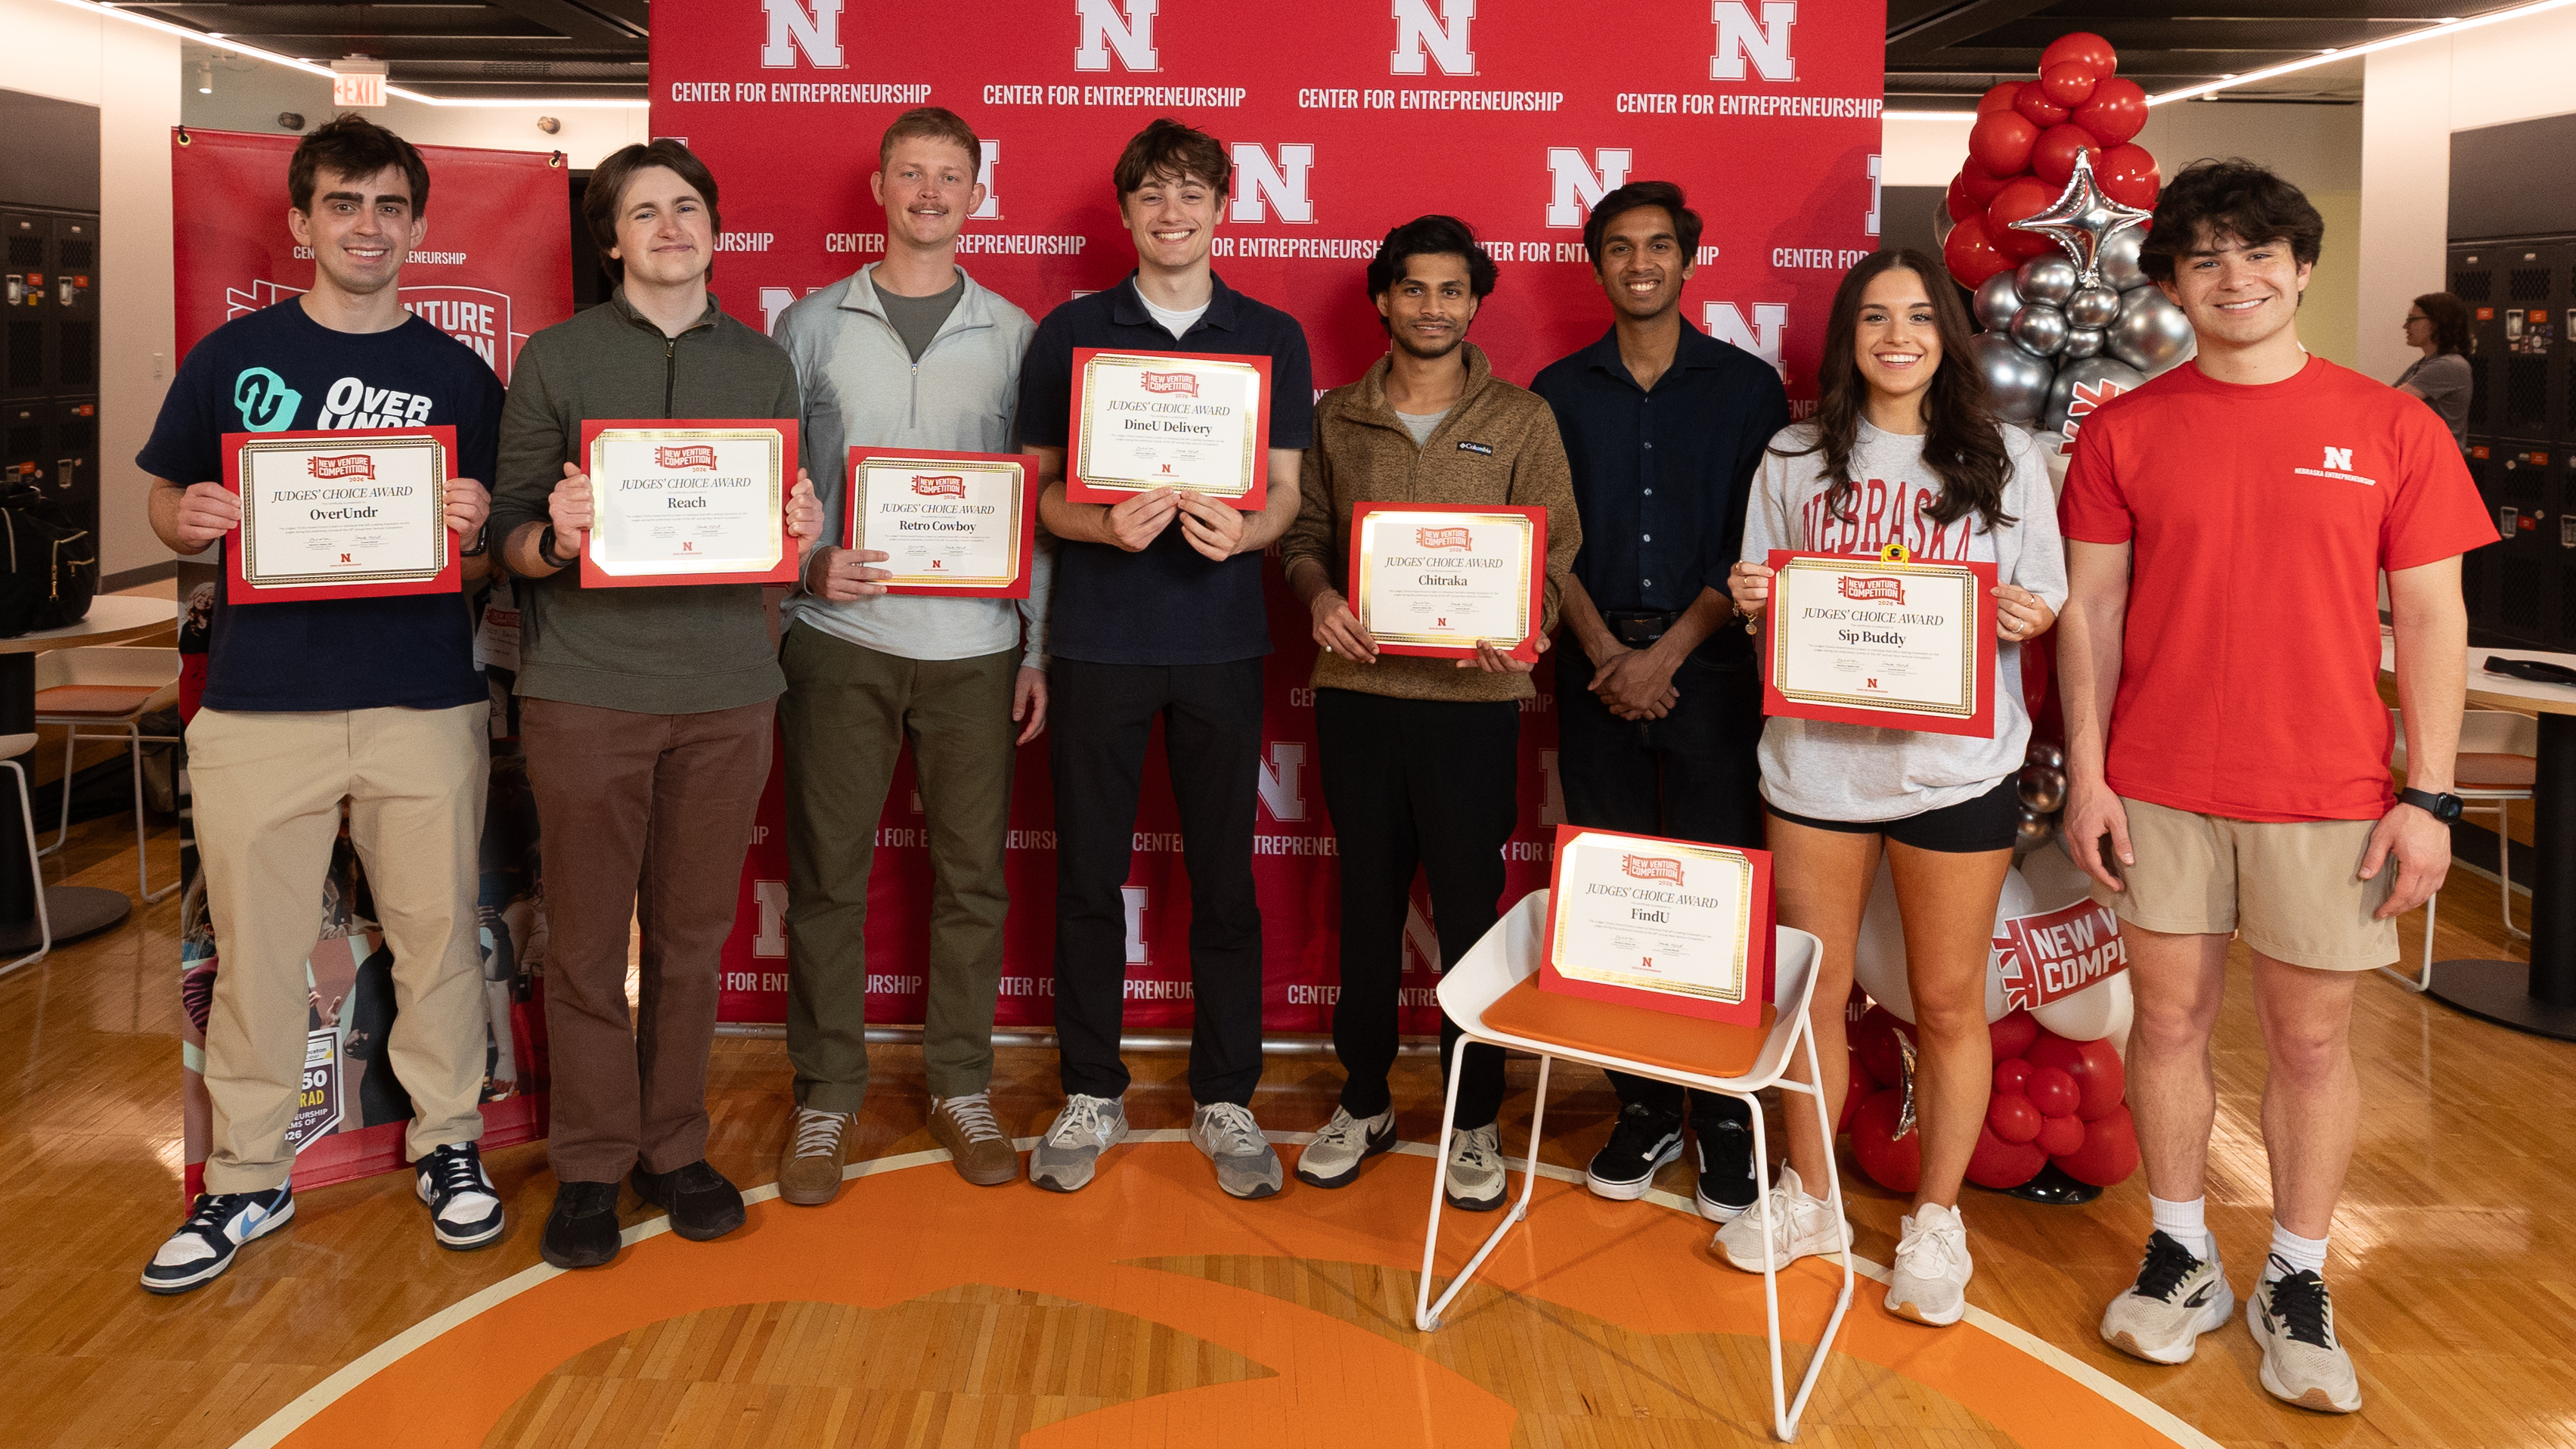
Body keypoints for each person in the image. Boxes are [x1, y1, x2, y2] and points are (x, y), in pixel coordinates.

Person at [2057, 160, 2493, 1413]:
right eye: (2203, 258)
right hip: (2156, 783)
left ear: (2300, 269)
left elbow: (2429, 616)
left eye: (2257, 255)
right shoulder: (2124, 430)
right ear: (2172, 284)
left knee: (2309, 1041)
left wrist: (2432, 791)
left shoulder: (2391, 426)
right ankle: (2181, 1249)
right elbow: (2087, 613)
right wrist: (2086, 777)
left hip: (2329, 790)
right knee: (2170, 1025)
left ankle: (2298, 1275)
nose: (2233, 278)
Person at [135, 114, 506, 1292]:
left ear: (418, 226)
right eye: (343, 203)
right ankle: (244, 1179)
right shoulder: (231, 359)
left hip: (421, 698)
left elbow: (497, 545)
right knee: (255, 955)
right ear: (301, 222)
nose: (367, 224)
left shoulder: (457, 374)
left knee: (439, 937)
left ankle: (447, 1145)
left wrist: (474, 531)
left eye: (389, 205)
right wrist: (185, 519)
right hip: (259, 705)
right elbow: (164, 500)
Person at [489, 139, 825, 1270]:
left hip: (729, 690)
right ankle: (589, 1162)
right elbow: (505, 538)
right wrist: (555, 534)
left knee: (690, 937)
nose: (670, 227)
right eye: (645, 212)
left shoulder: (764, 365)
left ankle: (673, 1144)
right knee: (585, 943)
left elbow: (778, 529)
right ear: (610, 239)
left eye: (688, 206)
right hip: (586, 690)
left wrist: (801, 530)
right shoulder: (555, 357)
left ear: (713, 229)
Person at [1719, 250, 2065, 1325]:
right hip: (1815, 765)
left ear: (1945, 336)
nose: (1896, 336)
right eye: (1874, 317)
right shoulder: (1788, 453)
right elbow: (1761, 596)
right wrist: (1746, 597)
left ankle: (1934, 1221)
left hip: (1952, 769)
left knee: (1948, 1001)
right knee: (1810, 995)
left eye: (1918, 317)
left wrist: (2027, 614)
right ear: (1846, 336)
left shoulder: (2005, 455)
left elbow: (2043, 591)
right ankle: (1809, 1199)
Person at [1015, 118, 1313, 1200]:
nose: (1171, 213)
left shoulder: (1269, 333)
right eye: (1151, 196)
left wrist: (1251, 534)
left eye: (1191, 195)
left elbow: (1282, 490)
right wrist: (1099, 527)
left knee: (1224, 882)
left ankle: (1223, 1094)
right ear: (1126, 211)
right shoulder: (1071, 333)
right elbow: (1037, 492)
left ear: (1223, 206)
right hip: (1097, 642)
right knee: (1089, 878)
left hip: (1222, 644)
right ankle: (1089, 1090)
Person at [768, 107, 1045, 1202]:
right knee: (828, 876)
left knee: (972, 880)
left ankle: (959, 1081)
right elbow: (769, 485)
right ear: (880, 187)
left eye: (950, 177)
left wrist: (1040, 647)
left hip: (976, 646)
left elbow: (1037, 503)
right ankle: (826, 1096)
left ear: (976, 195)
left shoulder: (1017, 334)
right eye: (911, 174)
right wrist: (803, 570)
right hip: (839, 641)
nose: (929, 192)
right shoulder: (807, 325)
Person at [1279, 216, 1582, 1209]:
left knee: (1466, 912)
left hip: (1474, 701)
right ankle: (1361, 1099)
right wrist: (1320, 597)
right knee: (1364, 906)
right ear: (1381, 299)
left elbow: (1553, 554)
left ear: (1473, 302)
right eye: (1413, 289)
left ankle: (1473, 1115)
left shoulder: (1524, 417)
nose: (1432, 307)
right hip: (1360, 698)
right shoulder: (1335, 418)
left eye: (1451, 291)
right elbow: (1306, 537)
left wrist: (1523, 619)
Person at [1530, 181, 1787, 1221]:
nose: (1638, 264)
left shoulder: (1745, 387)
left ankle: (1722, 1114)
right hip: (1592, 674)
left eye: (1657, 247)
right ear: (1594, 264)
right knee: (1614, 901)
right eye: (1618, 248)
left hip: (1710, 674)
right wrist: (1602, 651)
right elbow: (1546, 535)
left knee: (1712, 901)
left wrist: (1667, 654)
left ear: (1690, 259)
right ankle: (1638, 1107)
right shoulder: (1553, 388)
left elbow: (1755, 541)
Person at [2394, 292, 2473, 451]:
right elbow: (2388, 395)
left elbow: (2394, 403)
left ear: (2436, 324)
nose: (2405, 326)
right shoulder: (2423, 364)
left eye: (2412, 319)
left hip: (2440, 461)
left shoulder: (2449, 365)